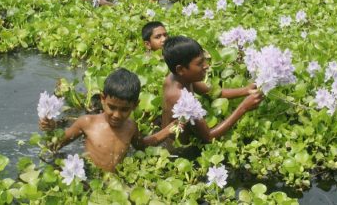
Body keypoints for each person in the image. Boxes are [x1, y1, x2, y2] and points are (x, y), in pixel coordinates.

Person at [39, 68, 179, 172]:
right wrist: (52, 128)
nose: (117, 115)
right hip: (90, 178)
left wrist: (167, 130)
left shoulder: (131, 127)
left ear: (135, 106)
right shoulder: (87, 122)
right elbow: (55, 146)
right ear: (103, 99)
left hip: (115, 180)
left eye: (124, 110)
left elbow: (141, 145)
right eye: (112, 107)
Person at [161, 36, 263, 154]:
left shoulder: (178, 77)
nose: (206, 65)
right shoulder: (179, 97)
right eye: (200, 63)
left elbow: (211, 92)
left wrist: (246, 90)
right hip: (178, 151)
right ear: (180, 69)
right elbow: (208, 137)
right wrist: (244, 107)